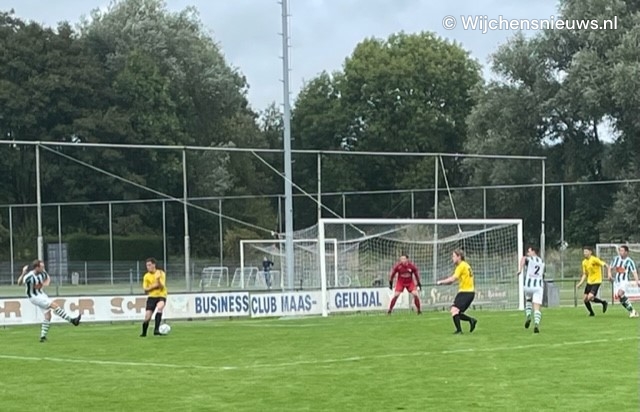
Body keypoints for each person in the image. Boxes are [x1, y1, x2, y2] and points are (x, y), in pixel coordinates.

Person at [16, 259, 81, 342]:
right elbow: (19, 283)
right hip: (33, 296)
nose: (43, 268)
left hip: (41, 294)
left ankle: (43, 337)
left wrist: (44, 284)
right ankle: (72, 320)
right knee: (54, 305)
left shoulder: (42, 273)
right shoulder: (29, 276)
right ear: (36, 267)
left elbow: (48, 278)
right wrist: (23, 273)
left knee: (48, 315)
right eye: (41, 267)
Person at [436, 249, 477, 334]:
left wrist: (441, 282)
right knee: (457, 312)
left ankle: (459, 330)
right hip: (470, 292)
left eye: (454, 256)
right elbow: (452, 281)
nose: (452, 258)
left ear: (459, 257)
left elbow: (452, 279)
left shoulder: (461, 266)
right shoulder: (466, 265)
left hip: (465, 292)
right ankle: (471, 320)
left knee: (454, 310)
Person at [607, 245, 640, 318]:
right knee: (620, 297)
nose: (620, 252)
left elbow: (634, 272)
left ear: (626, 252)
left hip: (624, 281)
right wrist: (609, 274)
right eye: (620, 250)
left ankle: (633, 311)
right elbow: (610, 267)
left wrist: (637, 281)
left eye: (622, 251)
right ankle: (632, 311)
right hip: (616, 282)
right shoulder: (616, 259)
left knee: (620, 293)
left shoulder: (630, 261)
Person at [518, 246, 544, 333]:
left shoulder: (529, 259)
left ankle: (528, 315)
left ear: (534, 251)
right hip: (538, 287)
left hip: (528, 286)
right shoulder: (541, 261)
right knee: (536, 307)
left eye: (529, 251)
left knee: (528, 300)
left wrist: (520, 269)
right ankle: (536, 323)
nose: (528, 253)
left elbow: (523, 259)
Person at [576, 246, 609, 316]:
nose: (585, 253)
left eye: (586, 252)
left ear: (590, 252)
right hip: (589, 282)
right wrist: (580, 283)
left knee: (590, 297)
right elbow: (585, 274)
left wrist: (608, 273)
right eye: (584, 252)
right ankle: (592, 313)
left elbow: (605, 265)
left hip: (596, 281)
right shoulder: (584, 262)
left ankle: (603, 302)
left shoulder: (594, 259)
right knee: (585, 299)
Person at [140, 257, 168, 337]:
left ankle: (156, 330)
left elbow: (161, 287)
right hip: (152, 297)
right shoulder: (146, 276)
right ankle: (144, 333)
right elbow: (145, 289)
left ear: (154, 265)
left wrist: (158, 280)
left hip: (161, 295)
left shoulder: (160, 273)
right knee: (147, 317)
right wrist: (154, 286)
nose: (148, 267)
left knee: (160, 307)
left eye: (149, 265)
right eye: (147, 265)